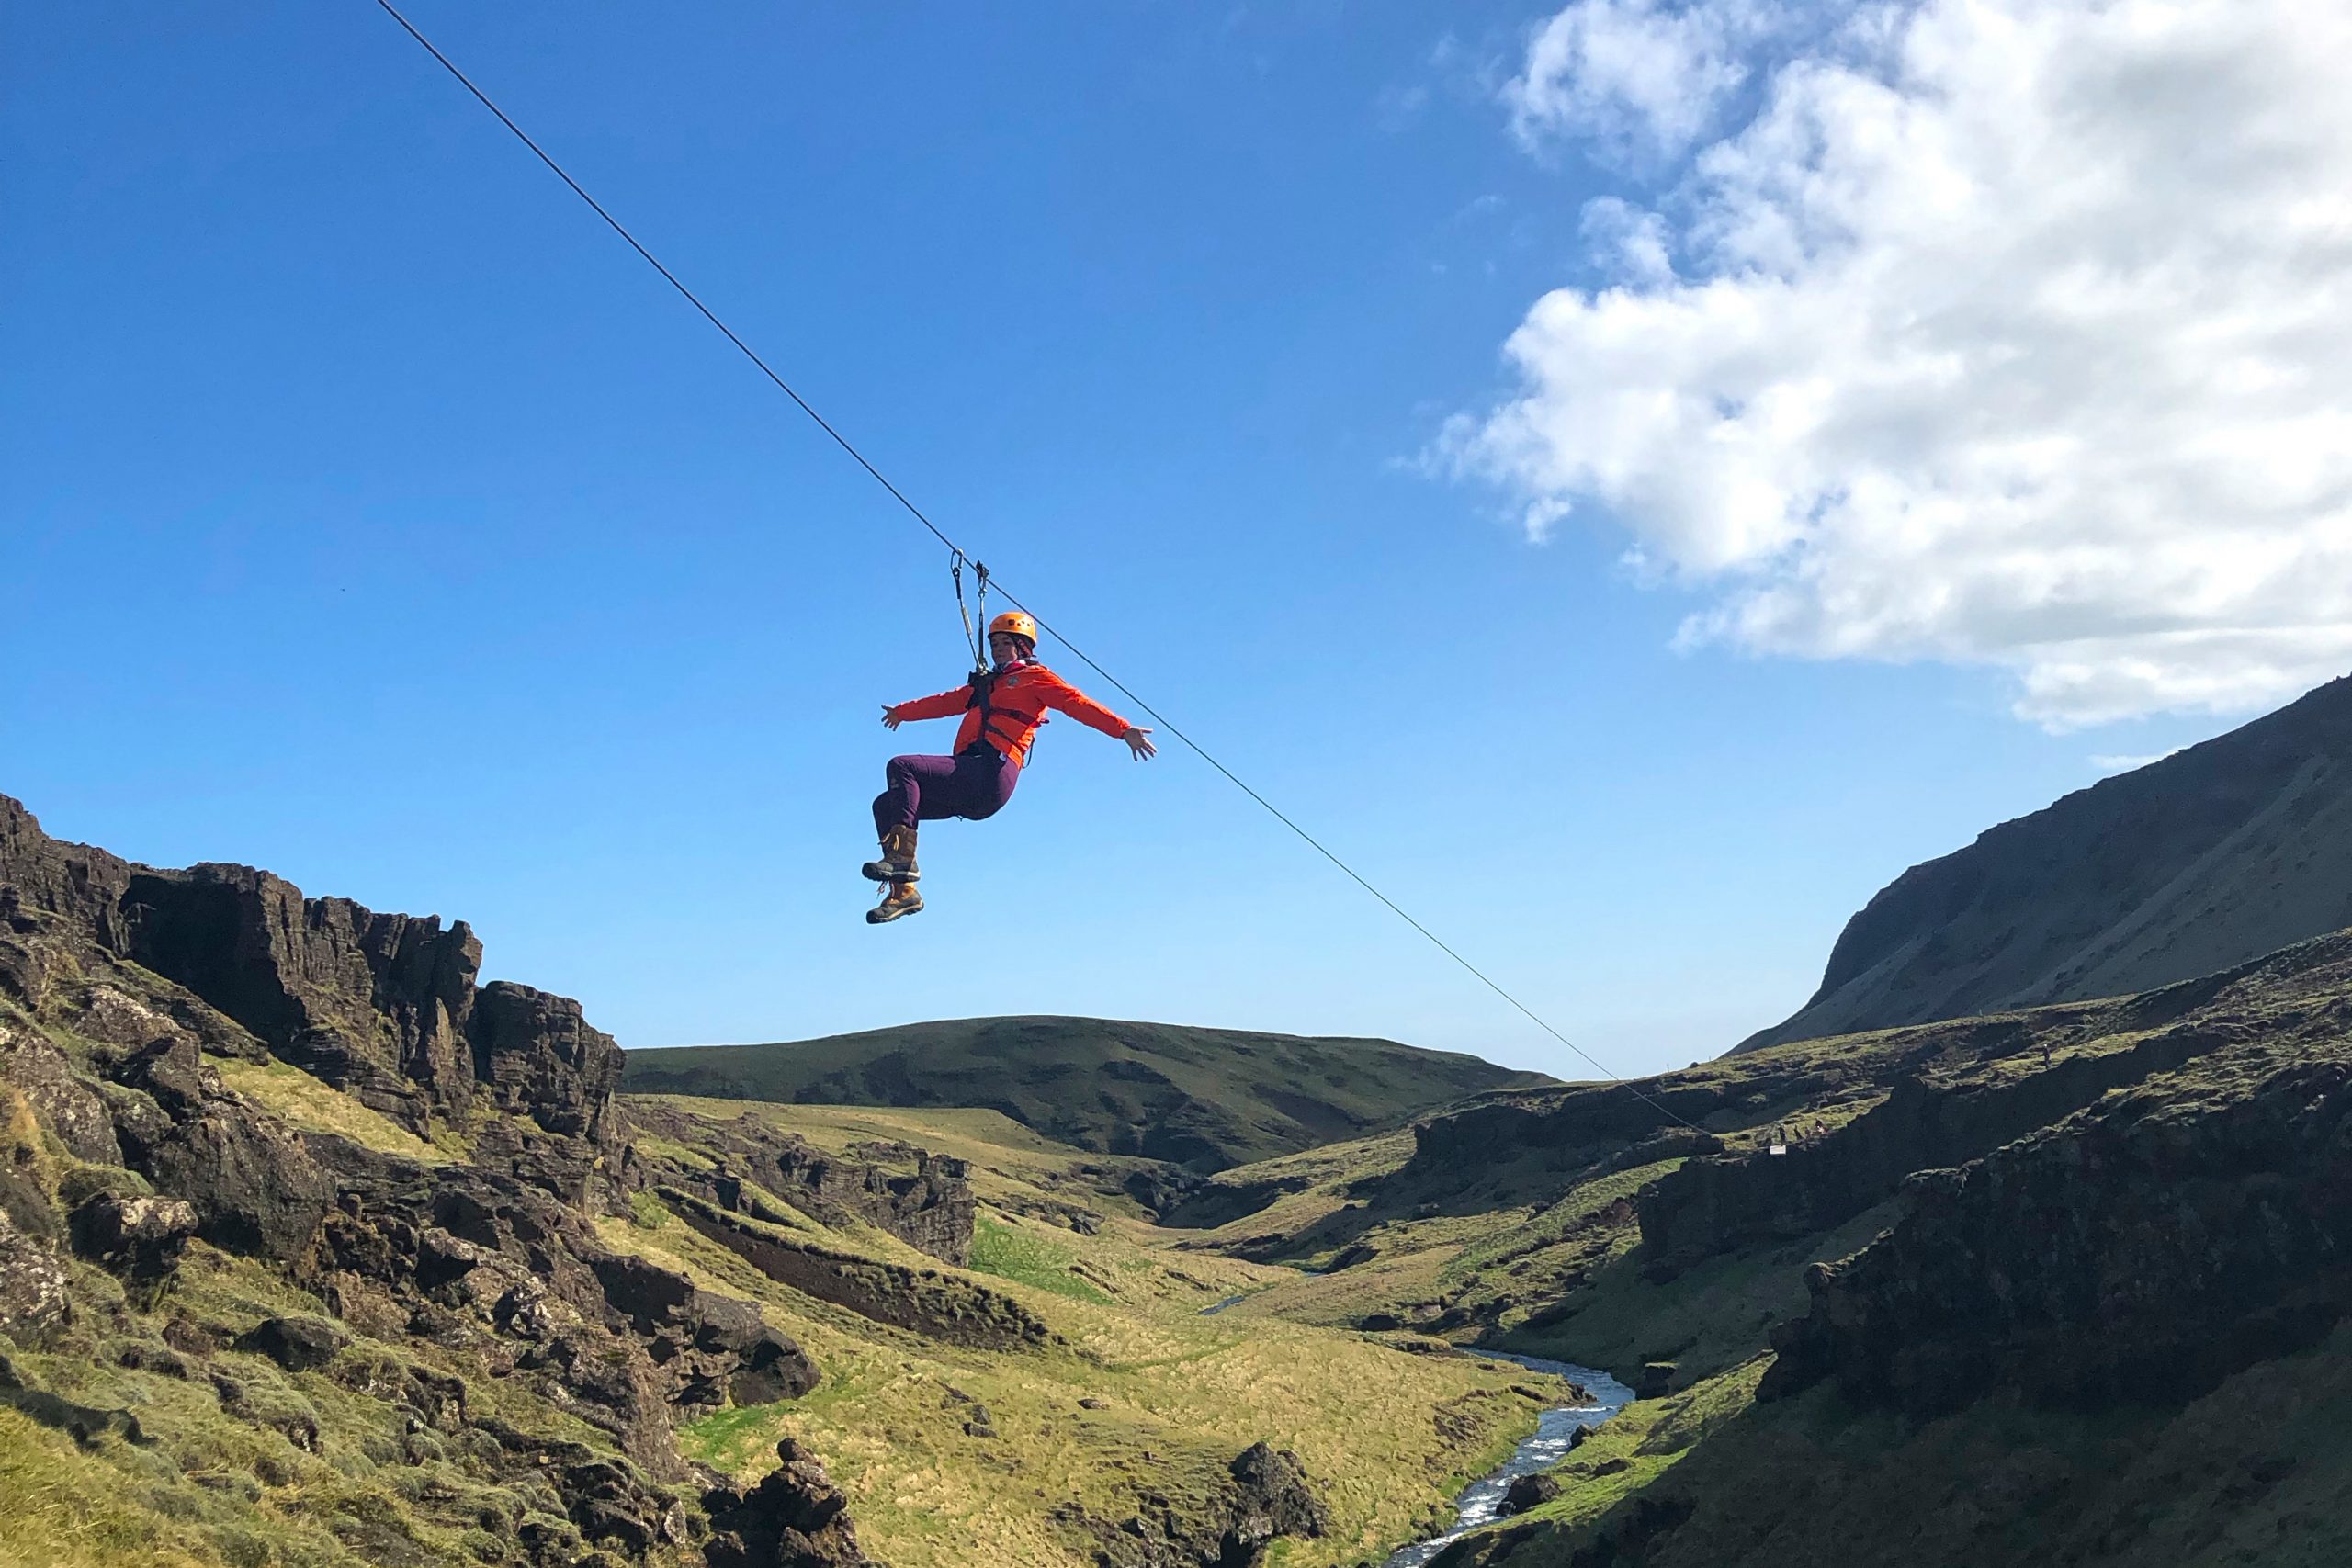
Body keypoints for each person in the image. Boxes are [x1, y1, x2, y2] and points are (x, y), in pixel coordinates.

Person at [864, 610, 1156, 923]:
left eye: (1006, 642)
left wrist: (1122, 729)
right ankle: (904, 893)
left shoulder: (1035, 678)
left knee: (902, 766)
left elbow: (1076, 703)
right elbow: (946, 701)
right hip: (969, 778)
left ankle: (903, 861)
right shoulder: (986, 686)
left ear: (1022, 646)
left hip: (991, 773)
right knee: (885, 804)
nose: (998, 649)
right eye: (995, 643)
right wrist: (902, 713)